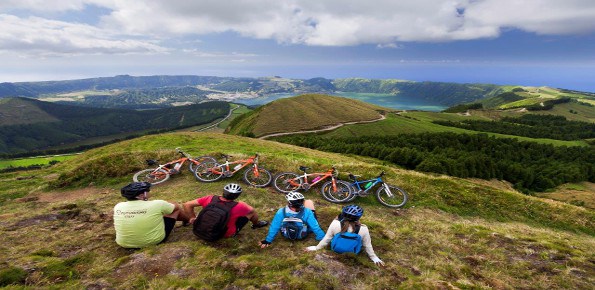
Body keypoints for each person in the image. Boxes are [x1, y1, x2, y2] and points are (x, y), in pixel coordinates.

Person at [113, 182, 191, 248]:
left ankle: (188, 220)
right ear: (141, 195)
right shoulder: (157, 204)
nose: (149, 192)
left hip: (124, 244)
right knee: (173, 208)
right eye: (147, 191)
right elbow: (176, 207)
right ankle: (189, 220)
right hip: (152, 242)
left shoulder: (118, 206)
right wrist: (167, 204)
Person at [306, 204, 385, 266]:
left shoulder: (335, 224)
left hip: (335, 249)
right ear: (358, 217)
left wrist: (316, 248)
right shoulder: (364, 229)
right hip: (353, 252)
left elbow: (326, 239)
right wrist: (374, 257)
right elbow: (367, 245)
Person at [183, 183, 268, 240]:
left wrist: (192, 218)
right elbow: (252, 210)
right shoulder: (240, 206)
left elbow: (187, 205)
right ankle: (256, 225)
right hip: (222, 235)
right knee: (252, 212)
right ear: (237, 195)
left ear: (223, 192)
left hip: (198, 230)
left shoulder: (210, 198)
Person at [259, 191, 325, 248]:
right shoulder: (307, 212)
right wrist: (322, 238)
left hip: (286, 235)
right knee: (309, 202)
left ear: (289, 203)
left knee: (278, 223)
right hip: (302, 236)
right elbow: (315, 227)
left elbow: (274, 227)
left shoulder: (281, 211)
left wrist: (268, 240)